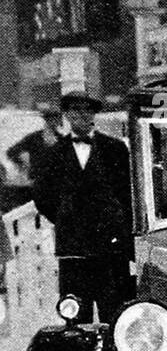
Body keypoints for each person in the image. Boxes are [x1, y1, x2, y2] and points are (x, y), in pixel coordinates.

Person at [30, 92, 133, 321]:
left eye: (86, 111)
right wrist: (65, 215)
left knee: (115, 312)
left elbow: (127, 192)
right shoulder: (53, 154)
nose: (81, 116)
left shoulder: (114, 149)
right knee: (75, 313)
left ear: (94, 115)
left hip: (110, 247)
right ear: (66, 115)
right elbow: (42, 196)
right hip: (73, 248)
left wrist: (118, 225)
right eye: (74, 111)